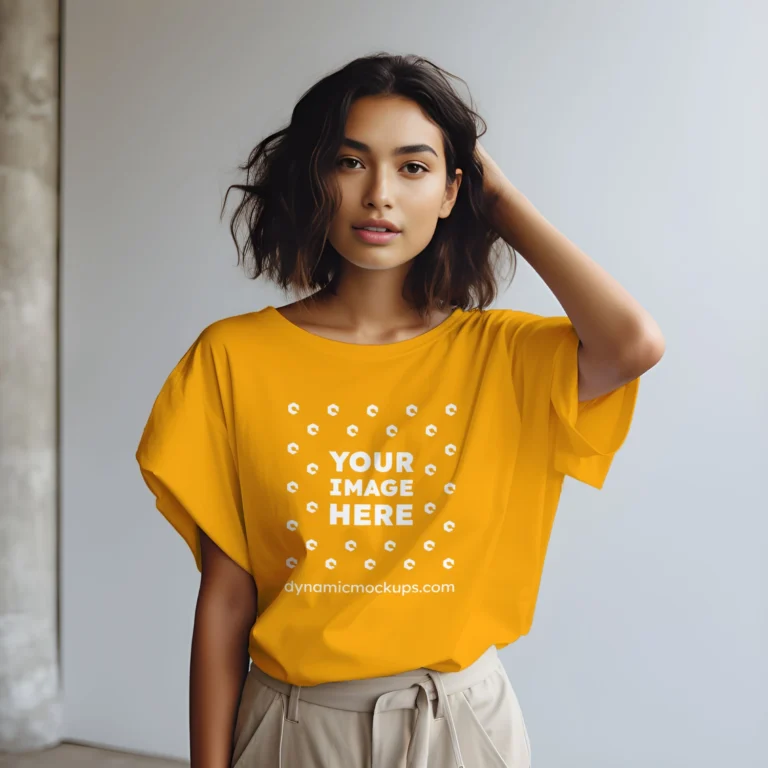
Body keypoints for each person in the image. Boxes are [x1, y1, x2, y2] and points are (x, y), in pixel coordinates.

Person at [135, 52, 664, 768]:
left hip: (460, 725)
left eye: (412, 167)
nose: (379, 194)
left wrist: (501, 200)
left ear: (454, 192)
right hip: (293, 726)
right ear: (316, 180)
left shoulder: (502, 355)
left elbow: (632, 343)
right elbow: (226, 600)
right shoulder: (234, 357)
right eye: (350, 163)